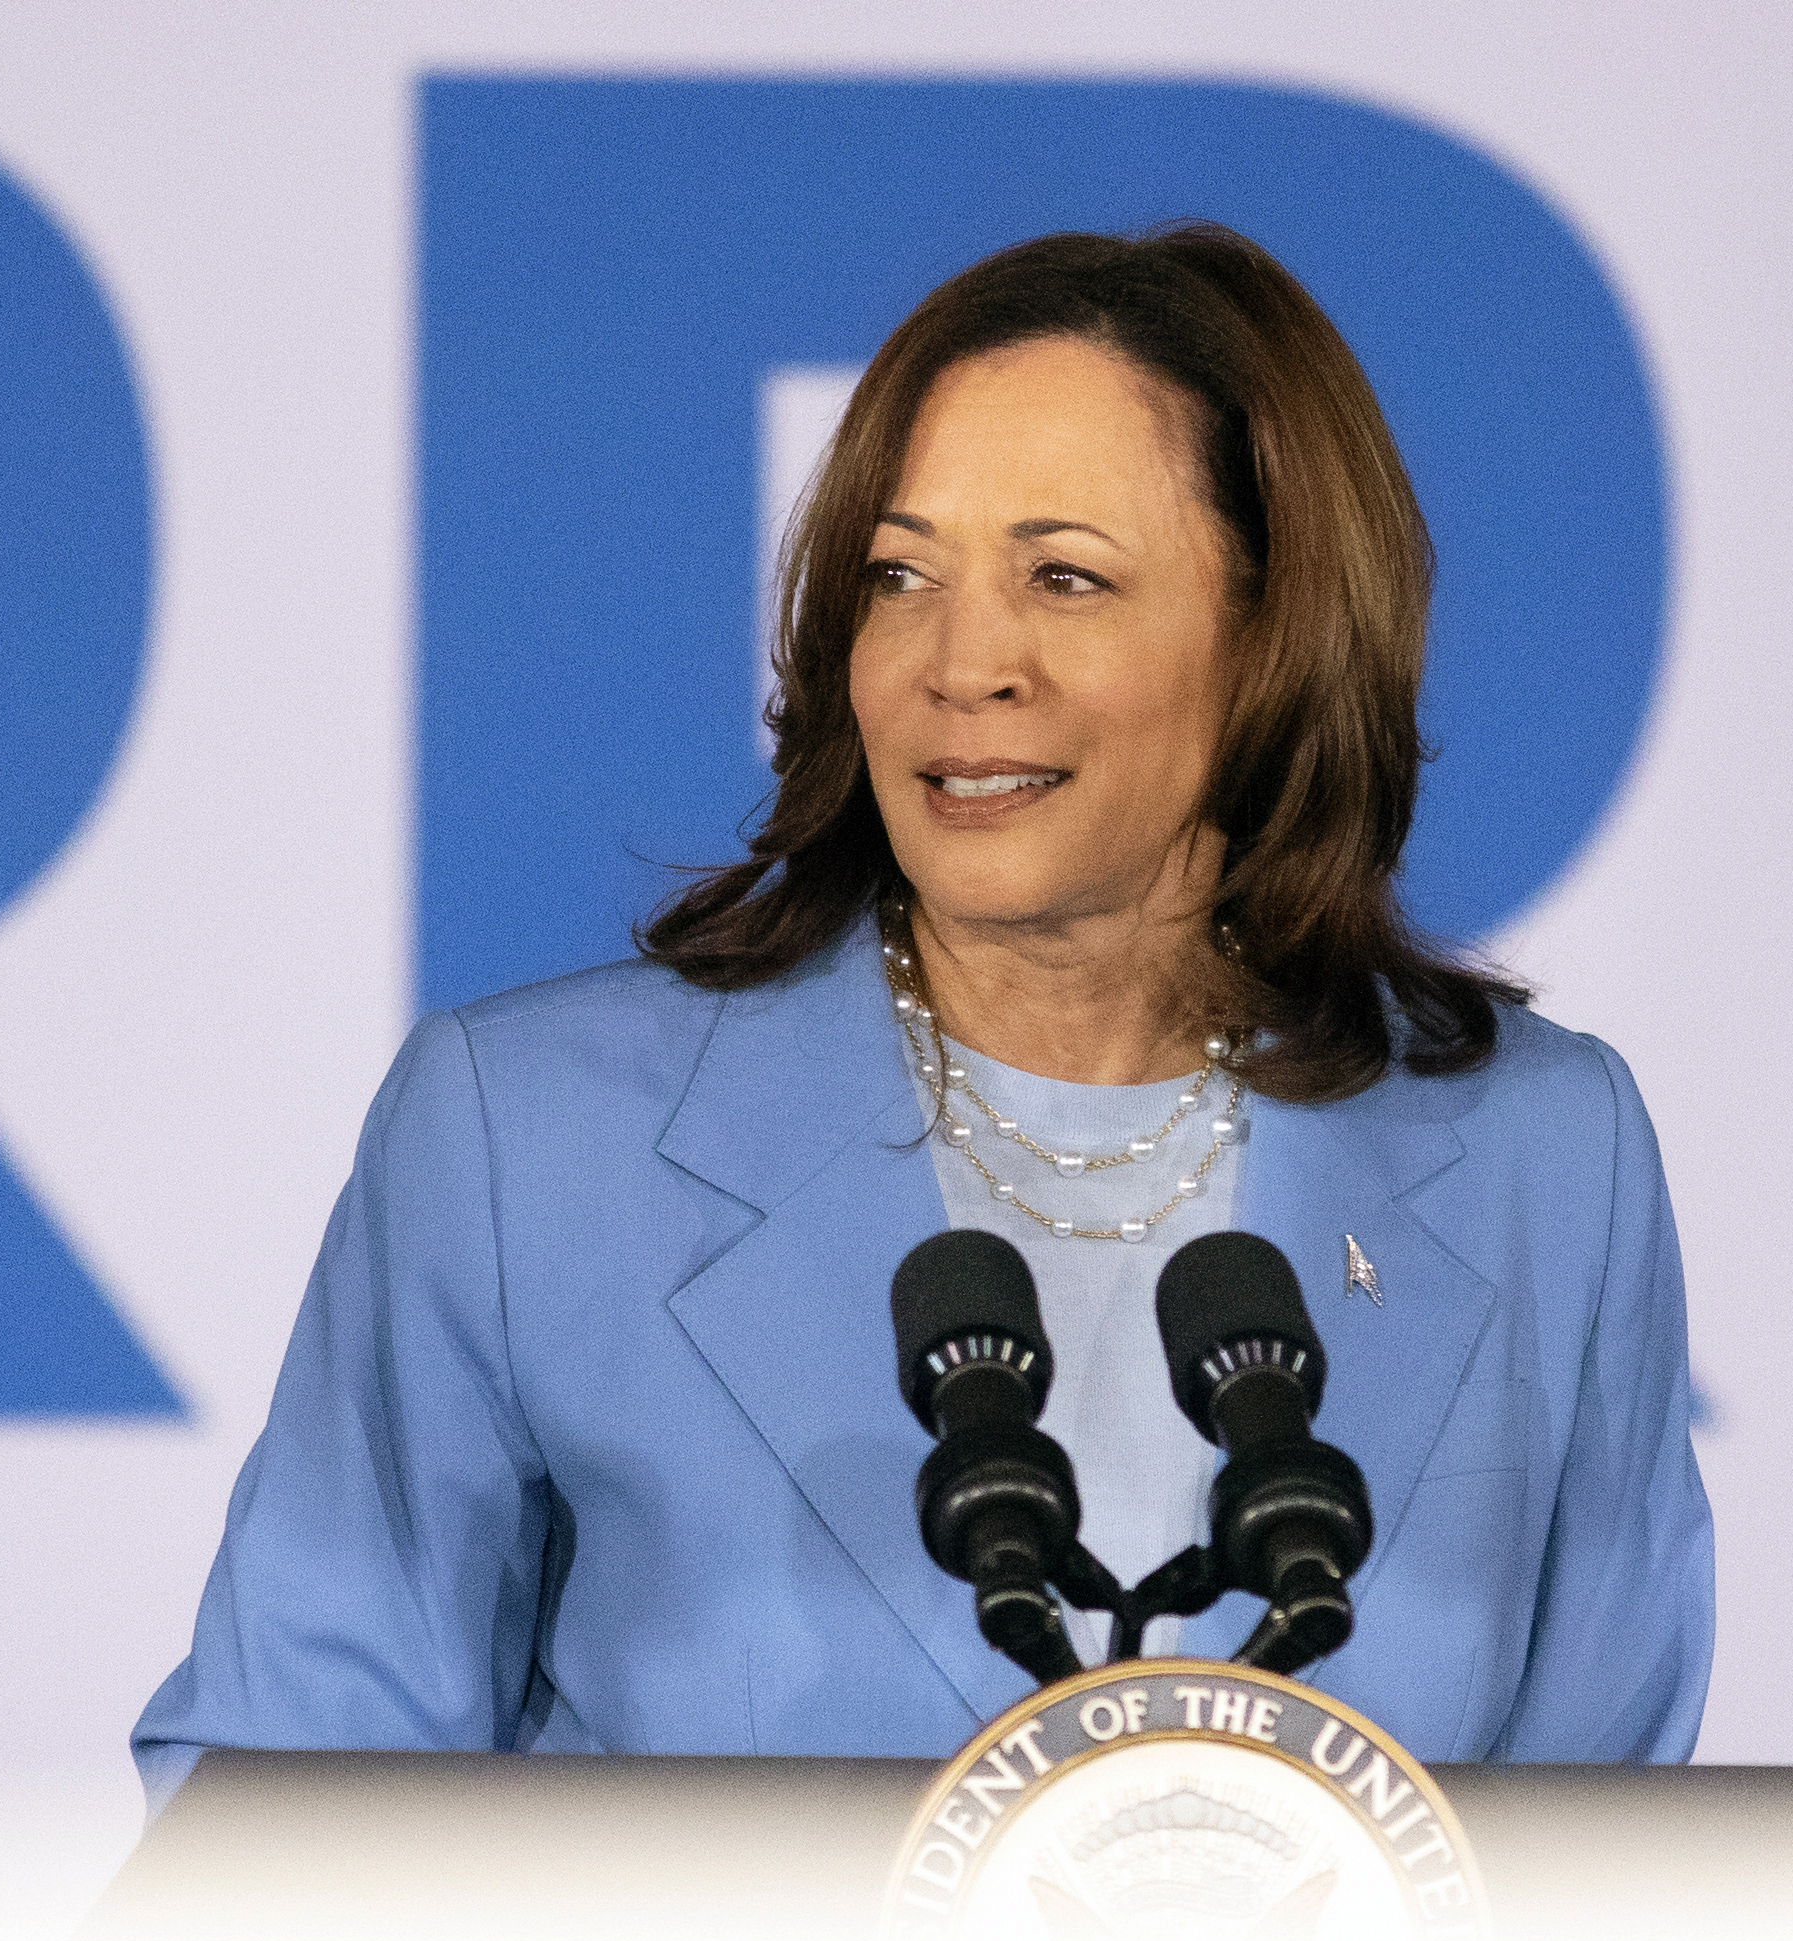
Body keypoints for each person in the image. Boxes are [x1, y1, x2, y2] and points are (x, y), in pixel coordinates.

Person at [133, 223, 1711, 1816]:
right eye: (901, 576)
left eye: (1065, 578)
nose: (962, 665)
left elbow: (1614, 1870)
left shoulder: (1543, 1165)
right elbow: (272, 1821)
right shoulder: (528, 1144)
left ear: (1273, 638)